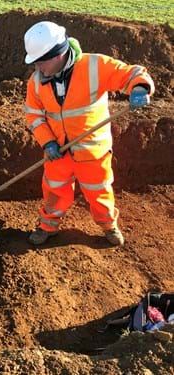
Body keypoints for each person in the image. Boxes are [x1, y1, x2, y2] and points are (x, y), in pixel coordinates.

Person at [23, 21, 154, 246]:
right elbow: (33, 116)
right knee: (54, 191)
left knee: (99, 191)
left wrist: (140, 87)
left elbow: (130, 73)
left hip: (92, 150)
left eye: (40, 62)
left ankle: (108, 225)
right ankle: (48, 226)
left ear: (57, 55)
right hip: (58, 151)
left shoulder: (95, 66)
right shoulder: (36, 82)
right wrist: (47, 143)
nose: (38, 68)